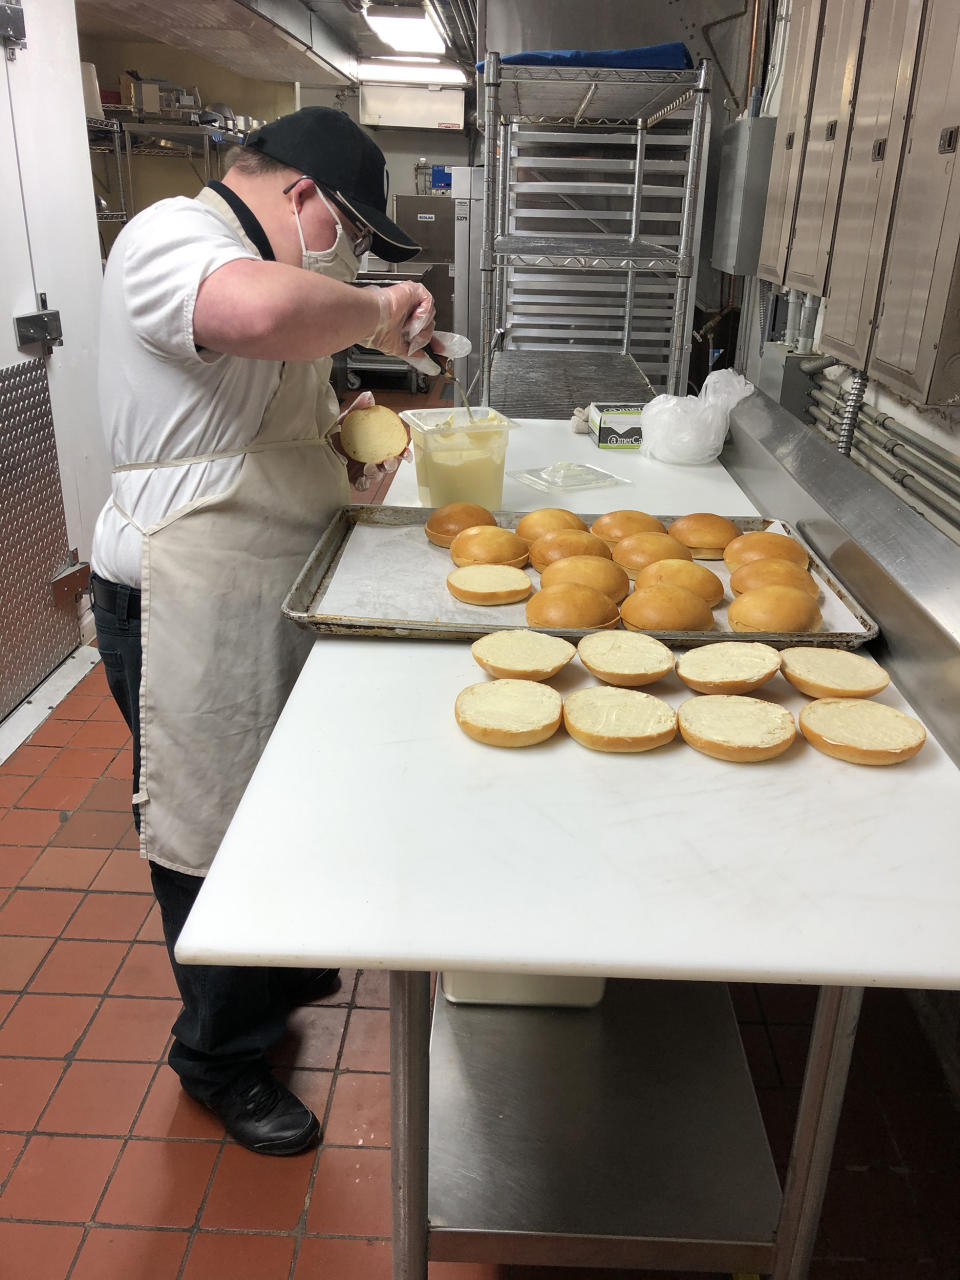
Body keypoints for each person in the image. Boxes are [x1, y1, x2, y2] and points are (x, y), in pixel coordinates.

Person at [89, 107, 437, 1156]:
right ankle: (219, 1058)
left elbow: (258, 419)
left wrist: (349, 460)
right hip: (182, 593)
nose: (353, 253)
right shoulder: (173, 239)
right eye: (350, 230)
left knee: (270, 799)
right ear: (298, 196)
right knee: (209, 830)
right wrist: (376, 307)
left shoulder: (273, 270)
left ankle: (271, 978)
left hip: (265, 582)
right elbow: (250, 317)